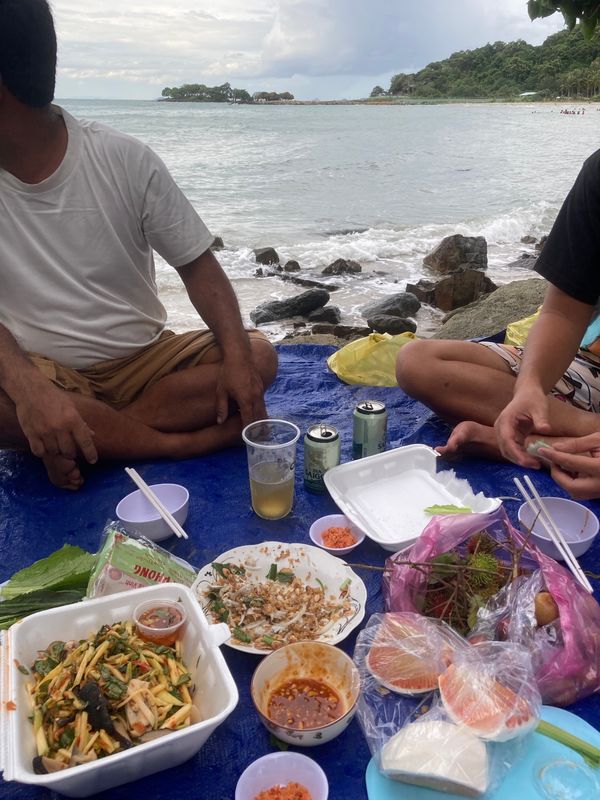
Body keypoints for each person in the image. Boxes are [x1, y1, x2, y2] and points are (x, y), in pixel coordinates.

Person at [0, 0, 278, 490]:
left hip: (143, 362)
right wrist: (30, 391)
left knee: (257, 357)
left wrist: (235, 359)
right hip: (40, 368)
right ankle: (172, 444)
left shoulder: (122, 158)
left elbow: (198, 267)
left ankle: (85, 434)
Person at [396, 148, 600, 500]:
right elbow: (564, 311)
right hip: (591, 366)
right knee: (416, 362)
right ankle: (577, 443)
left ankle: (534, 445)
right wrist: (530, 387)